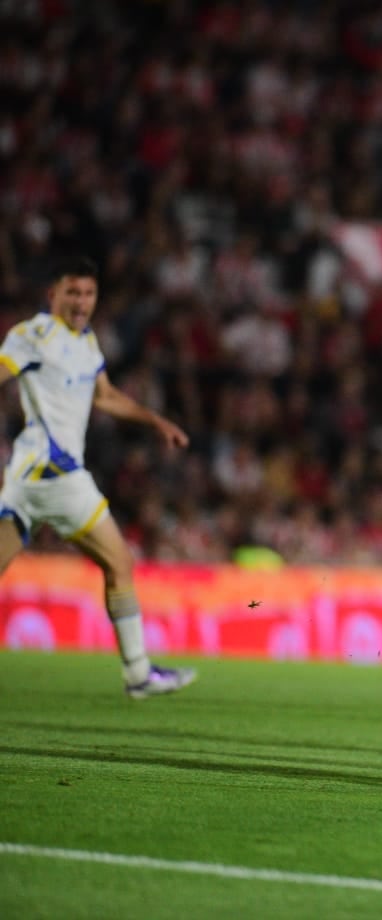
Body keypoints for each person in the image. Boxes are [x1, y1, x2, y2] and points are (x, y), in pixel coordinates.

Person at [0, 257, 198, 699]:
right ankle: (138, 674)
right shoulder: (34, 336)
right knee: (120, 564)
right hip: (59, 476)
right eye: (72, 292)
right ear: (53, 294)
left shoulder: (85, 341)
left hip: (26, 477)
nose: (81, 302)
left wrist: (155, 421)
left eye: (88, 293)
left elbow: (105, 396)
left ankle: (140, 674)